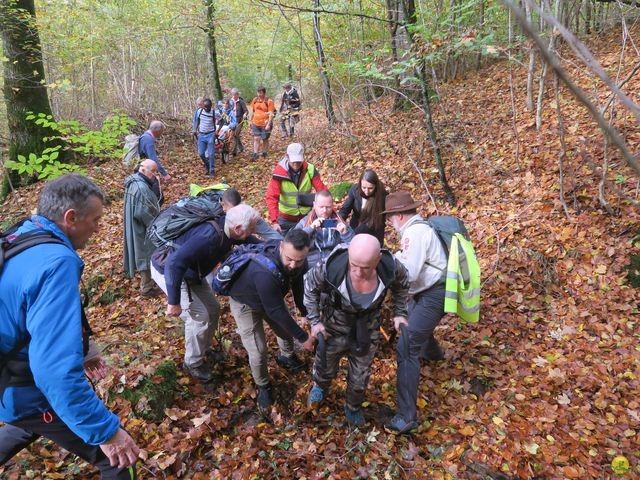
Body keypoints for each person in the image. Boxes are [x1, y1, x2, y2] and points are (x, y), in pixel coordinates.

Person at [0, 174, 139, 477]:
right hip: (25, 386)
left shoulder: (26, 234)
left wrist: (84, 349)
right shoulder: (57, 261)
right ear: (71, 218)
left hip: (10, 377)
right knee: (119, 460)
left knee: (29, 423)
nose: (99, 228)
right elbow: (54, 372)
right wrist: (106, 432)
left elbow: (30, 309)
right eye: (96, 220)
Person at [304, 234, 409, 427]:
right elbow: (309, 287)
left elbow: (403, 286)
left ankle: (352, 407)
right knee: (325, 364)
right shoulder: (331, 266)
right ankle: (320, 386)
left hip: (367, 328)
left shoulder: (390, 267)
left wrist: (400, 313)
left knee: (360, 375)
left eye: (366, 267)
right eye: (354, 265)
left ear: (377, 259)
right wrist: (314, 321)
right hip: (334, 324)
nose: (359, 272)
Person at [150, 204, 260, 383]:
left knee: (213, 309)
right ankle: (192, 363)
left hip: (192, 273)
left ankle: (202, 350)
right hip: (170, 272)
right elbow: (174, 264)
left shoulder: (229, 230)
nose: (254, 231)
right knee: (199, 317)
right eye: (252, 228)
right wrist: (174, 301)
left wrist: (278, 246)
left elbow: (251, 241)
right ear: (238, 228)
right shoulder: (208, 236)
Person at [224, 229, 315, 411]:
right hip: (245, 302)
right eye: (289, 258)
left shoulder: (299, 262)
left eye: (299, 260)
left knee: (285, 331)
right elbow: (275, 311)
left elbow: (298, 286)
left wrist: (304, 312)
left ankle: (286, 356)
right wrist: (304, 338)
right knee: (258, 350)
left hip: (271, 296)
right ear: (281, 247)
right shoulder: (264, 272)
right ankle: (263, 385)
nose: (293, 264)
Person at [381, 191, 447, 434]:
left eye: (389, 217)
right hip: (427, 290)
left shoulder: (414, 233)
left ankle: (406, 416)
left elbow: (409, 273)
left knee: (406, 347)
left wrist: (386, 267)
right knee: (414, 323)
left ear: (398, 215)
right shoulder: (418, 229)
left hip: (433, 293)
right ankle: (434, 355)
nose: (389, 222)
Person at [266, 143, 327, 235]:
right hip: (285, 219)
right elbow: (272, 197)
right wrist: (275, 221)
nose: (296, 164)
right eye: (293, 161)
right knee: (285, 245)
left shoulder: (310, 169)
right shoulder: (279, 173)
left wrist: (327, 209)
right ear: (287, 157)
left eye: (298, 161)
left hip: (306, 216)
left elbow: (322, 191)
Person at [123, 159, 163, 297]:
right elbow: (144, 213)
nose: (155, 175)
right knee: (146, 252)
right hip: (141, 228)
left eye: (156, 172)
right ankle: (147, 288)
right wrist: (158, 223)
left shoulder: (133, 183)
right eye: (153, 172)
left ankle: (148, 284)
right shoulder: (142, 189)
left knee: (143, 251)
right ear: (143, 170)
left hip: (135, 225)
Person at [294, 190, 354, 267]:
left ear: (332, 206)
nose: (325, 211)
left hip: (333, 262)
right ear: (314, 205)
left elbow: (354, 245)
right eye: (321, 207)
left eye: (328, 207)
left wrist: (345, 233)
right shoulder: (305, 222)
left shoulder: (339, 221)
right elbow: (292, 241)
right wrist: (310, 228)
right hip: (310, 264)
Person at [339, 169, 387, 245]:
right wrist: (339, 221)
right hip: (355, 226)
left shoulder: (382, 195)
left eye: (370, 188)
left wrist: (354, 234)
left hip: (374, 232)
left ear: (376, 186)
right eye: (364, 187)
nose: (367, 191)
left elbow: (375, 221)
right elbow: (345, 209)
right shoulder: (355, 190)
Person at [249, 86, 276, 161]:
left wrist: (268, 124)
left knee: (265, 138)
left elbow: (271, 113)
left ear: (264, 93)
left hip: (265, 124)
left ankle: (264, 152)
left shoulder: (269, 101)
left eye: (261, 93)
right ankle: (255, 154)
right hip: (255, 123)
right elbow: (251, 110)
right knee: (256, 138)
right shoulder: (255, 100)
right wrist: (250, 121)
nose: (259, 94)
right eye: (258, 93)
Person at [194, 98, 217, 177]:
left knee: (211, 154)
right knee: (201, 153)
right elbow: (197, 121)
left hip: (211, 134)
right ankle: (207, 166)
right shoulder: (199, 112)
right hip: (201, 135)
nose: (207, 109)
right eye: (205, 107)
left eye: (208, 107)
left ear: (211, 106)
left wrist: (217, 131)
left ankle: (212, 170)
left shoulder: (214, 112)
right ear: (203, 106)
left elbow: (220, 120)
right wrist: (195, 129)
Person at [229, 88, 248, 156]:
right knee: (235, 135)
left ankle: (234, 151)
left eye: (235, 94)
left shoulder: (241, 102)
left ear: (238, 94)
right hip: (231, 120)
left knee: (235, 135)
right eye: (233, 95)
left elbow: (246, 110)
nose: (234, 96)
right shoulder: (230, 101)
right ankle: (241, 147)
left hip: (239, 120)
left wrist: (245, 114)